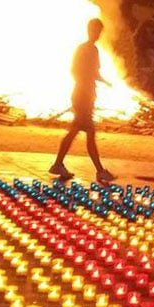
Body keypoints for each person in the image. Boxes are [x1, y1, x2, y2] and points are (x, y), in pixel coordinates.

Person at [49, 18, 115, 183]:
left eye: (100, 32)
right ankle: (99, 171)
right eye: (96, 31)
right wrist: (85, 84)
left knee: (76, 132)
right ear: (89, 30)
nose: (98, 34)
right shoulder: (85, 49)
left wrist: (105, 82)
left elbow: (94, 73)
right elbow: (75, 71)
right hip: (82, 97)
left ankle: (58, 164)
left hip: (86, 96)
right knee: (86, 133)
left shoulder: (93, 50)